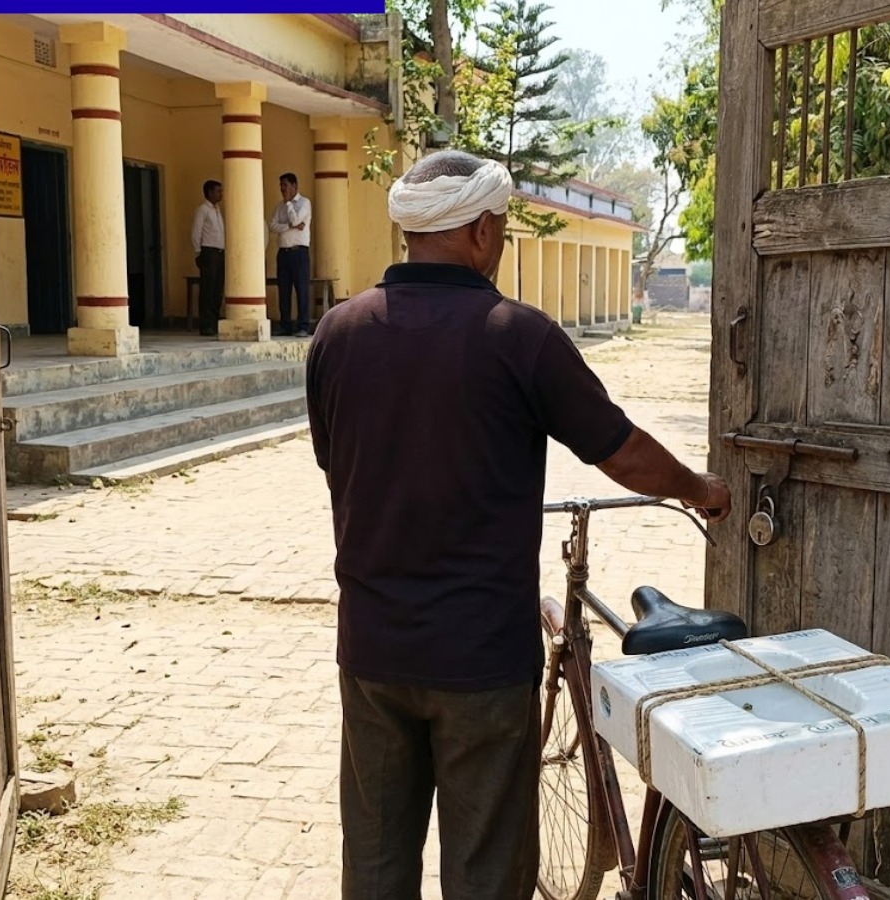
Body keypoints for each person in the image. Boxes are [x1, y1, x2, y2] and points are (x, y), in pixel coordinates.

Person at [304, 150, 732, 900]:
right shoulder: (516, 334)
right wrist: (700, 490)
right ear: (479, 231)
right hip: (481, 659)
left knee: (373, 863)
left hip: (373, 651)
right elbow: (623, 453)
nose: (499, 241)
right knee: (489, 871)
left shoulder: (337, 334)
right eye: (499, 227)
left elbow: (334, 461)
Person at [268, 172, 312, 337]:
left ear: (294, 186)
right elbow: (272, 225)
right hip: (283, 252)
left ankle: (303, 326)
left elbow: (296, 220)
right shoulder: (278, 206)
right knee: (284, 289)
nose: (282, 189)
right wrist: (289, 226)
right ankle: (285, 325)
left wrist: (288, 205)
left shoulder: (304, 203)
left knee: (301, 289)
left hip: (299, 252)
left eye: (285, 185)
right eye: (281, 186)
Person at [190, 180, 224, 337]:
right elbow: (196, 232)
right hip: (208, 252)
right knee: (207, 290)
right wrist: (198, 252)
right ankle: (206, 324)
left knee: (217, 289)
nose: (221, 194)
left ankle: (214, 322)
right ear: (210, 192)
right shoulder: (202, 210)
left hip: (219, 252)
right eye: (218, 191)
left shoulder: (217, 210)